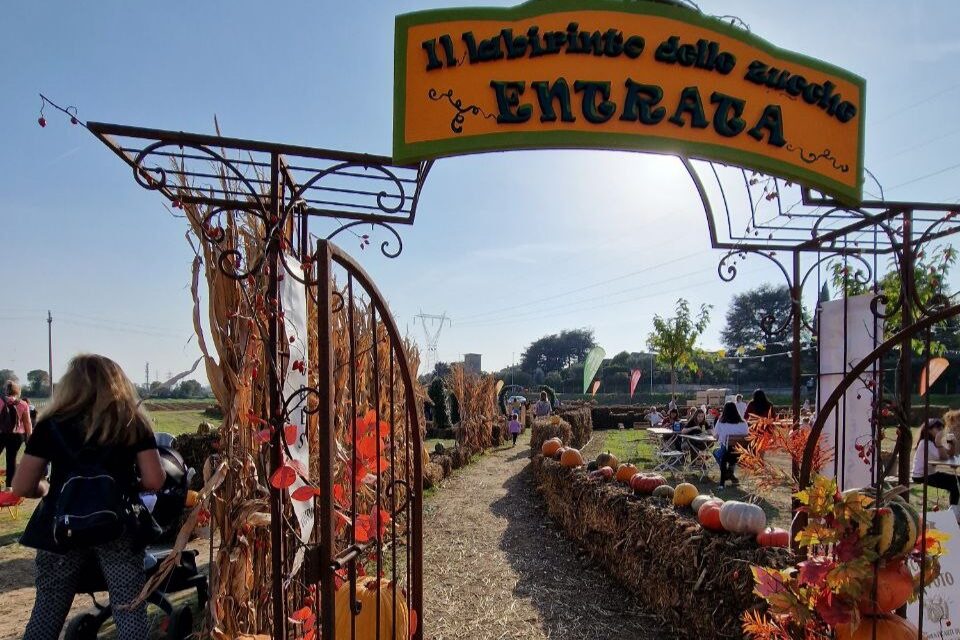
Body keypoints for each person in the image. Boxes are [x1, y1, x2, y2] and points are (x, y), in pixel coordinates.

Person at [13, 354, 166, 639]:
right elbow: (155, 480)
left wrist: (46, 489)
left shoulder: (51, 425)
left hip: (60, 529)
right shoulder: (131, 422)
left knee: (46, 613)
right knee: (129, 610)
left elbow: (21, 486)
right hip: (117, 527)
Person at [911, 416, 959, 506]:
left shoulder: (933, 443)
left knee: (957, 481)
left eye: (941, 427)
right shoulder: (925, 443)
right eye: (937, 428)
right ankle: (954, 511)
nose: (941, 430)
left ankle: (954, 509)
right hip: (921, 476)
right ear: (928, 430)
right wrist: (938, 442)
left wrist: (952, 444)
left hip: (930, 474)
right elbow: (944, 457)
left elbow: (949, 454)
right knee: (954, 483)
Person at [0, 380, 33, 488]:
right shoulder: (23, 404)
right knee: (11, 459)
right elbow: (27, 422)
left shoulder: (0, 401)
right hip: (17, 435)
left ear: (5, 390)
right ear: (17, 390)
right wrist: (30, 436)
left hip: (1, 433)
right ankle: (9, 486)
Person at [713, 401, 749, 489]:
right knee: (727, 453)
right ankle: (730, 472)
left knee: (715, 452)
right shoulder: (743, 423)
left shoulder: (721, 422)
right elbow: (747, 436)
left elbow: (716, 437)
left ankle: (726, 473)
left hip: (727, 452)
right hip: (740, 453)